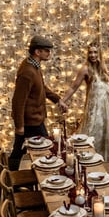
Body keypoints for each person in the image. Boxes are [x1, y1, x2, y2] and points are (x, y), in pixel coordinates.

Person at [8, 34, 67, 170]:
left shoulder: (34, 66)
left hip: (35, 119)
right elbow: (18, 101)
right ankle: (13, 177)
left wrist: (58, 100)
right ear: (37, 52)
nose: (49, 53)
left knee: (20, 149)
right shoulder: (28, 71)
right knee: (45, 149)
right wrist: (19, 126)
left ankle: (12, 177)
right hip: (30, 121)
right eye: (46, 50)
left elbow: (42, 88)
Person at [61, 43, 109, 163]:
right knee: (93, 135)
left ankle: (107, 163)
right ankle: (89, 162)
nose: (92, 55)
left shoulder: (103, 69)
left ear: (99, 54)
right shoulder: (85, 69)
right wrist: (62, 101)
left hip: (106, 111)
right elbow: (73, 87)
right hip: (94, 110)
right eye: (90, 52)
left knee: (106, 136)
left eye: (95, 52)